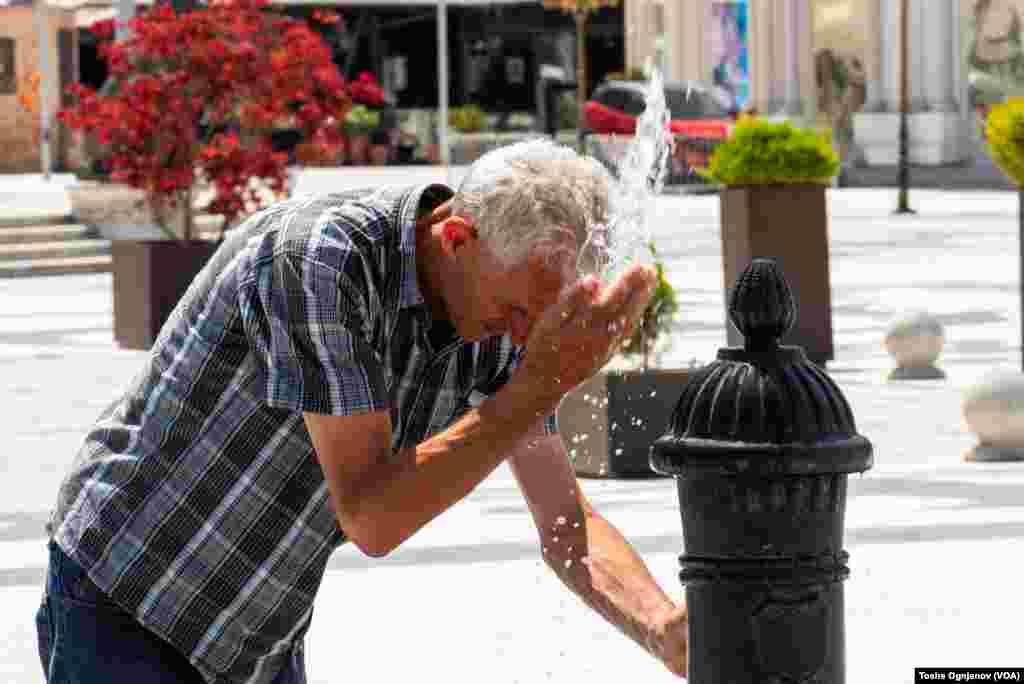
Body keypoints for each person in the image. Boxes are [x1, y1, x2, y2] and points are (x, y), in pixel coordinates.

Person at [35, 138, 689, 684]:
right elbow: (372, 514)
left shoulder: (505, 315)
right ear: (457, 238)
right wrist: (537, 386)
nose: (522, 338)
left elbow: (565, 526)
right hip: (127, 595)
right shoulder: (320, 259)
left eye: (537, 323)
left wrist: (663, 628)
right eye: (518, 313)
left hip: (254, 635)